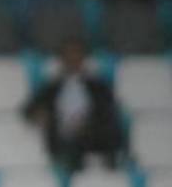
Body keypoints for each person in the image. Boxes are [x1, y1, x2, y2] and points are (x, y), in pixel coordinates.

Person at [23, 38, 124, 171]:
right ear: (62, 59)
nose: (73, 60)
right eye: (69, 56)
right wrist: (39, 115)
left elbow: (108, 111)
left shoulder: (98, 87)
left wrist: (85, 123)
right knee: (70, 148)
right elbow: (28, 110)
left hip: (92, 136)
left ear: (84, 59)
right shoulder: (51, 88)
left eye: (77, 55)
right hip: (62, 138)